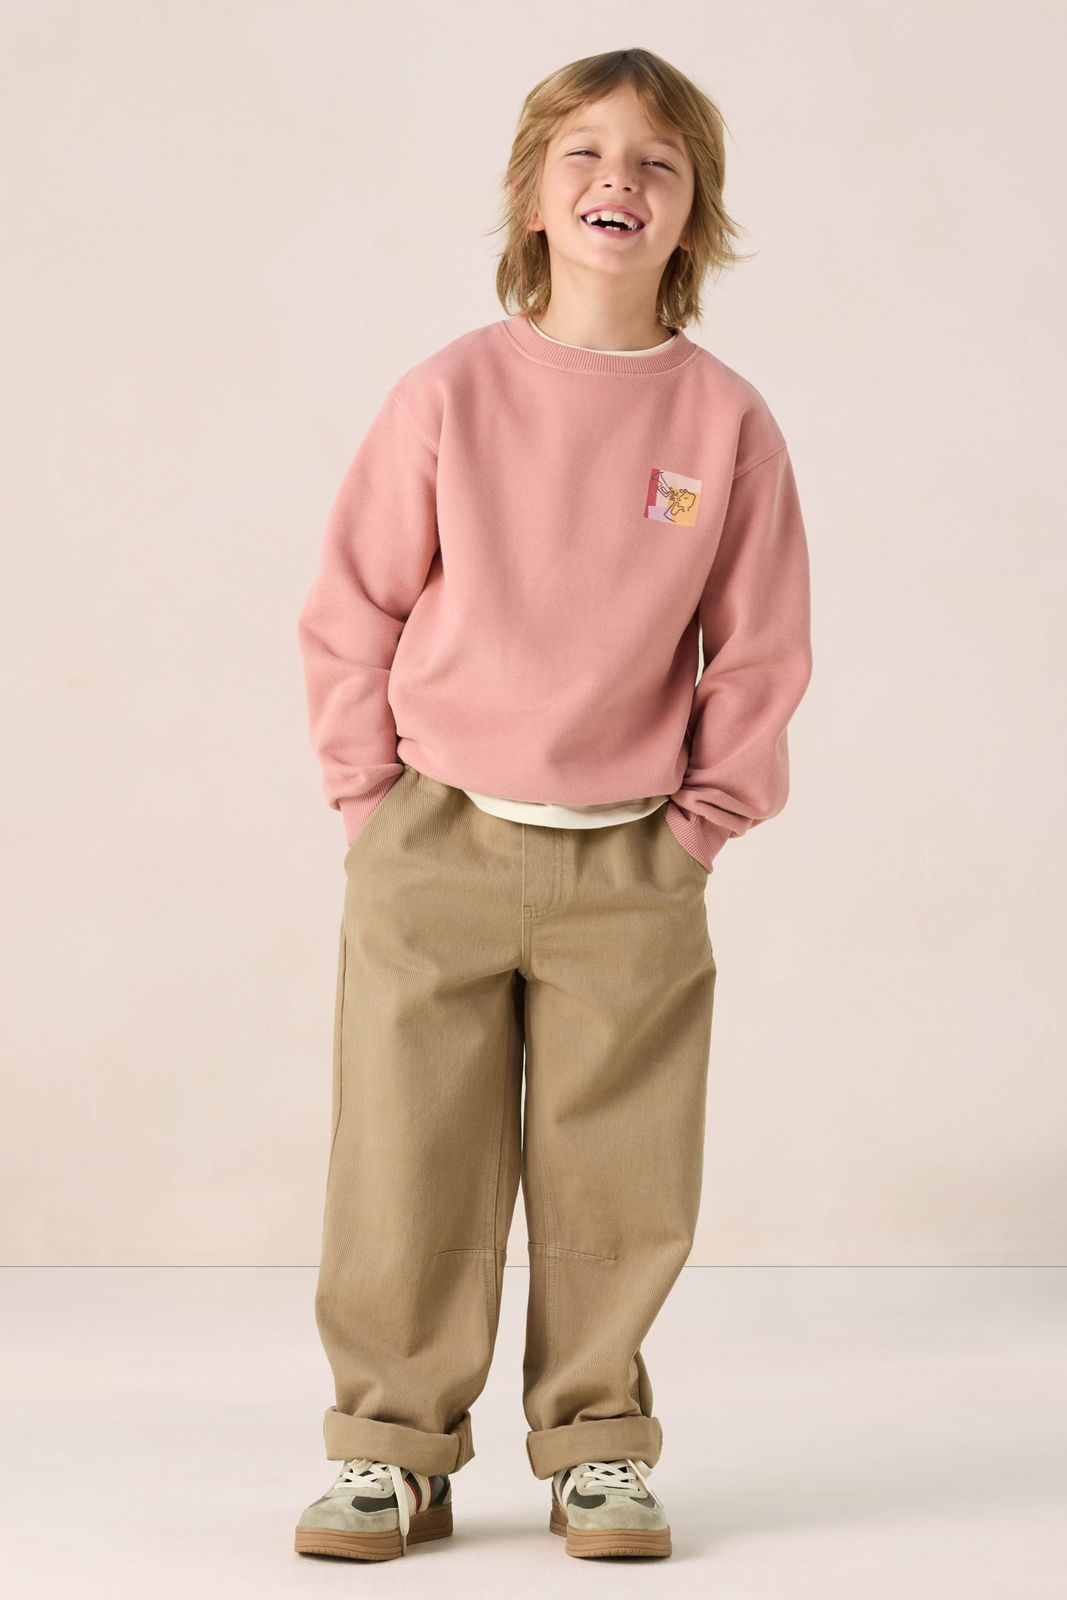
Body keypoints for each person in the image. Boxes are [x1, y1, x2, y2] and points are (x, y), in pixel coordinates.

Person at [293, 46, 813, 1563]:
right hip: (434, 841)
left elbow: (761, 645)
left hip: (632, 864)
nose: (617, 181)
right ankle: (392, 1447)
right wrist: (370, 802)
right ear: (532, 195)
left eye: (658, 162)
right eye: (584, 152)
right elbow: (354, 605)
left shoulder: (724, 425)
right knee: (406, 1156)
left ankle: (597, 1445)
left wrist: (700, 827)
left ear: (694, 212)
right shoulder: (450, 393)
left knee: (620, 1170)